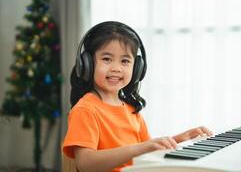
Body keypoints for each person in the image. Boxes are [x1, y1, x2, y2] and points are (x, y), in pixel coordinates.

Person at [62, 21, 213, 172]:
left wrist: (179, 139)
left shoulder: (131, 110)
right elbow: (86, 164)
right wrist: (138, 148)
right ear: (87, 63)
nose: (116, 68)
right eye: (107, 59)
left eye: (125, 61)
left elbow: (147, 151)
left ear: (137, 69)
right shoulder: (85, 109)